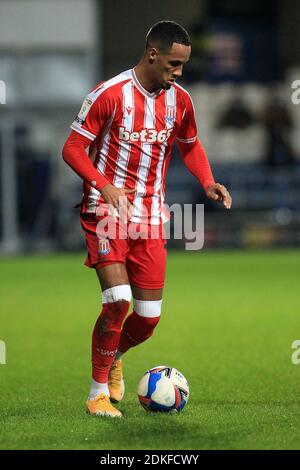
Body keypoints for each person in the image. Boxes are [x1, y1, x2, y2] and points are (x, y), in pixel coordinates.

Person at [62, 20, 232, 418]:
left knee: (149, 318)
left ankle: (114, 354)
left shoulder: (181, 101)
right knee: (117, 300)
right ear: (152, 54)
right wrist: (104, 186)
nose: (179, 72)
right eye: (174, 64)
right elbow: (71, 149)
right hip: (104, 211)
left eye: (183, 65)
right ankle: (97, 393)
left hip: (151, 217)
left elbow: (190, 146)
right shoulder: (109, 95)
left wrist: (207, 181)